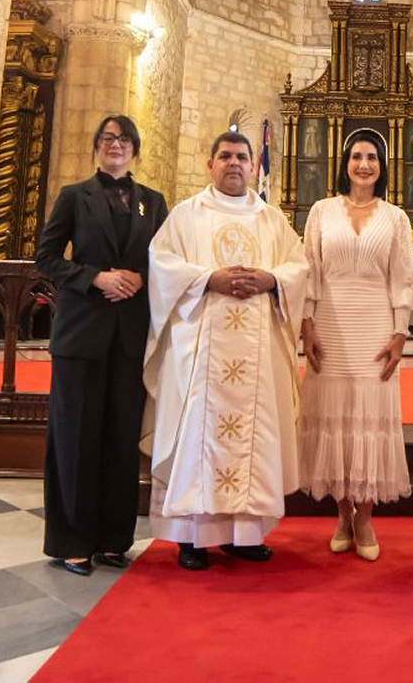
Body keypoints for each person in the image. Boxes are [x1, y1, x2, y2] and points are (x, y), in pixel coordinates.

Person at [141, 131, 309, 571]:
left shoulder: (272, 219)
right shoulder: (185, 215)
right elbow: (162, 264)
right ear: (210, 163)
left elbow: (298, 267)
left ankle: (244, 534)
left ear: (254, 166)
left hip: (258, 351)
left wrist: (271, 280)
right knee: (199, 431)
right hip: (201, 348)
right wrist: (206, 279)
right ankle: (192, 536)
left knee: (254, 433)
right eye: (225, 156)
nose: (234, 163)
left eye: (242, 157)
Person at [35, 114, 168, 576]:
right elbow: (47, 257)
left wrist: (140, 278)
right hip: (81, 335)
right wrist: (96, 278)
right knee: (75, 438)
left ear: (135, 149)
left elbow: (168, 264)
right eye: (108, 138)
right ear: (97, 147)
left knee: (118, 438)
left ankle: (114, 539)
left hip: (130, 337)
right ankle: (71, 541)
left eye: (125, 139)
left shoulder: (152, 202)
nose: (117, 145)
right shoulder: (75, 196)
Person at [298, 130, 413, 562]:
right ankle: (342, 514)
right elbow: (309, 271)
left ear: (382, 165)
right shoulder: (321, 211)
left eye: (372, 157)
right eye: (357, 156)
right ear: (345, 163)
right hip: (330, 326)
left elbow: (403, 278)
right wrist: (307, 326)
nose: (364, 164)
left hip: (374, 326)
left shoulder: (396, 217)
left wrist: (400, 332)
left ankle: (365, 517)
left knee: (369, 417)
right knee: (336, 417)